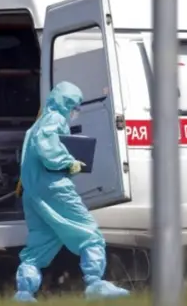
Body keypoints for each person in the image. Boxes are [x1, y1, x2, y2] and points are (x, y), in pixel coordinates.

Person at [13, 81, 129, 302]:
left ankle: (24, 293)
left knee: (40, 243)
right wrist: (68, 162)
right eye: (74, 106)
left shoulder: (36, 124)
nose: (76, 111)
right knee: (89, 233)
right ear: (65, 103)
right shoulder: (54, 120)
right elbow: (46, 146)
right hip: (55, 189)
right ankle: (95, 283)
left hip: (34, 193)